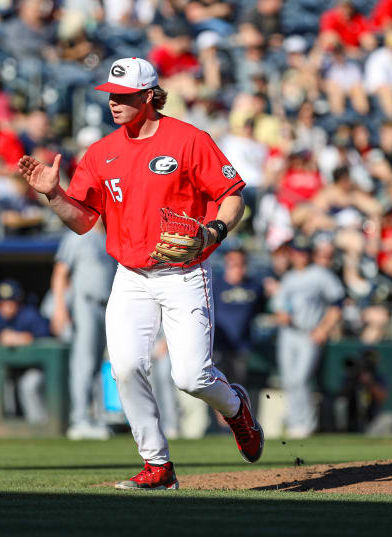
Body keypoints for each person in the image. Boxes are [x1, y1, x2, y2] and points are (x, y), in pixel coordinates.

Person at [18, 57, 263, 490]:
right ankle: (158, 465)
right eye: (111, 95)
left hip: (183, 272)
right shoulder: (101, 152)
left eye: (125, 96)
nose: (114, 103)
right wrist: (53, 194)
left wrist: (214, 232)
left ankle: (235, 407)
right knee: (126, 368)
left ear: (150, 97)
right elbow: (81, 221)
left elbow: (232, 195)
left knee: (191, 376)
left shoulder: (188, 139)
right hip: (129, 275)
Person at [272, 234, 344, 439]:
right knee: (288, 380)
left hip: (309, 332)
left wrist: (324, 328)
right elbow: (279, 307)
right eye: (298, 252)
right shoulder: (288, 277)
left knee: (301, 378)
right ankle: (295, 422)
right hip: (289, 334)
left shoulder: (321, 274)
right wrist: (281, 314)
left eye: (304, 252)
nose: (301, 256)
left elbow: (337, 303)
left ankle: (306, 423)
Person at [49, 224, 117, 440]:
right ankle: (79, 420)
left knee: (98, 365)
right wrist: (59, 308)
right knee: (84, 363)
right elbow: (60, 273)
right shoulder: (78, 235)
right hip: (84, 302)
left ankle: (96, 417)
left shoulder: (109, 235)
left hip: (106, 305)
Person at [0, 279, 50, 423]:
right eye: (2, 303)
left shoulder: (30, 315)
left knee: (28, 385)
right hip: (9, 369)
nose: (6, 307)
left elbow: (48, 341)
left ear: (19, 302)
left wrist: (23, 338)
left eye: (10, 302)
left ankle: (39, 425)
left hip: (35, 368)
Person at [212, 247, 265, 386]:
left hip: (241, 347)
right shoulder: (215, 285)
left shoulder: (255, 286)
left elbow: (261, 309)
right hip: (219, 346)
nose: (237, 268)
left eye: (241, 264)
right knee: (218, 389)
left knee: (237, 389)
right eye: (233, 263)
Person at [335, 348, 392, 436]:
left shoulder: (378, 377)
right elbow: (341, 396)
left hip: (372, 420)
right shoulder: (350, 377)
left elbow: (382, 398)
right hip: (351, 420)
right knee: (340, 405)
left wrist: (370, 383)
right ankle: (340, 435)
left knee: (390, 418)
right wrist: (354, 381)